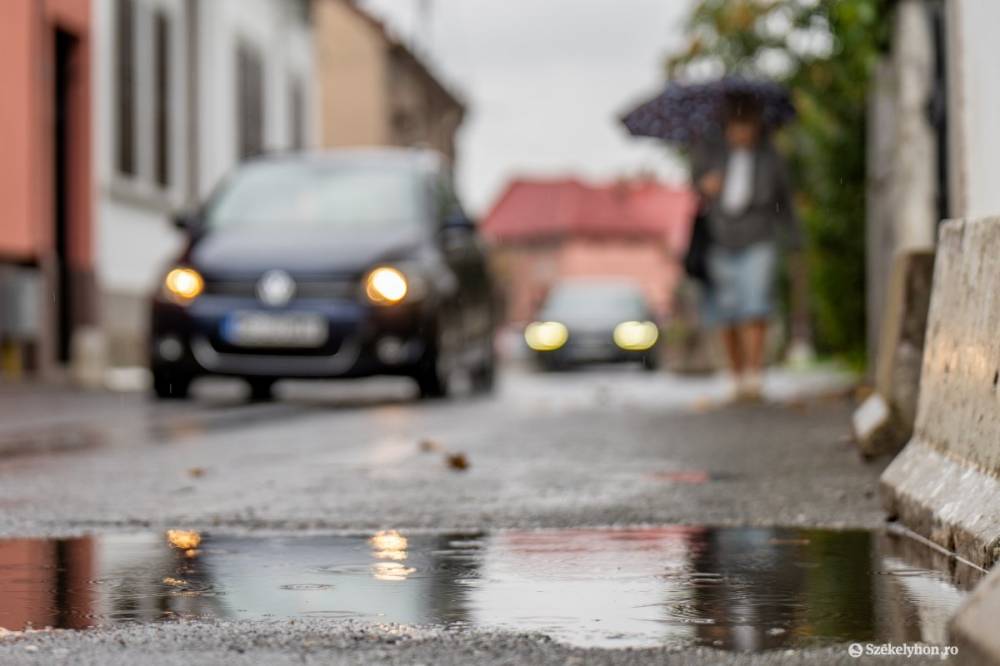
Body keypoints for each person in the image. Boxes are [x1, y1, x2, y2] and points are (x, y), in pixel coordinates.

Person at [693, 96, 803, 400]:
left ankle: (754, 374)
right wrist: (705, 185)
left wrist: (793, 239)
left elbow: (785, 202)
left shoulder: (771, 158)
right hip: (720, 238)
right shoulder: (710, 153)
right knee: (726, 311)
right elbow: (694, 186)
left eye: (747, 125)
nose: (741, 132)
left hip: (758, 237)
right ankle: (736, 374)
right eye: (735, 125)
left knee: (755, 305)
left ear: (756, 126)